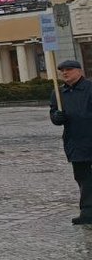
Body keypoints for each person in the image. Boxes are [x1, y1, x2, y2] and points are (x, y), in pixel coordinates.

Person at [51, 59, 92, 225]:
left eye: (69, 69)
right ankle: (88, 210)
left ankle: (88, 211)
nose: (65, 73)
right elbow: (53, 113)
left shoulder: (90, 89)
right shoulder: (58, 93)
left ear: (79, 71)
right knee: (82, 176)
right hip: (74, 140)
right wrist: (56, 117)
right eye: (62, 71)